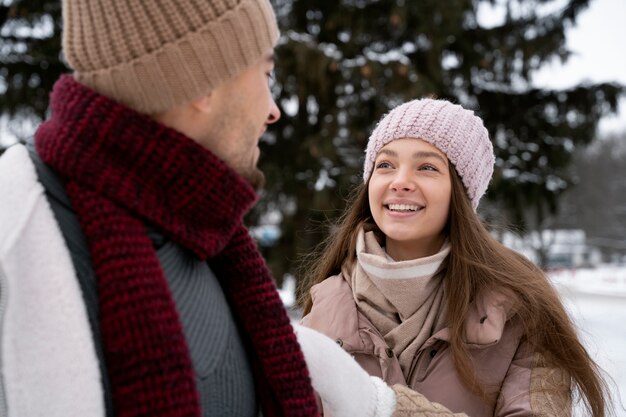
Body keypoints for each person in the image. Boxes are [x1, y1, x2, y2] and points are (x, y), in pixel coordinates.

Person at [0, 0, 319, 416]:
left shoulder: (200, 224)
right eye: (265, 73)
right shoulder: (17, 240)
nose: (273, 110)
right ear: (205, 79)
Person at [296, 98, 612, 416]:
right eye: (385, 165)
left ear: (460, 191)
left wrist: (387, 408)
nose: (400, 182)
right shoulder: (324, 310)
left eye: (428, 167)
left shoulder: (520, 309)